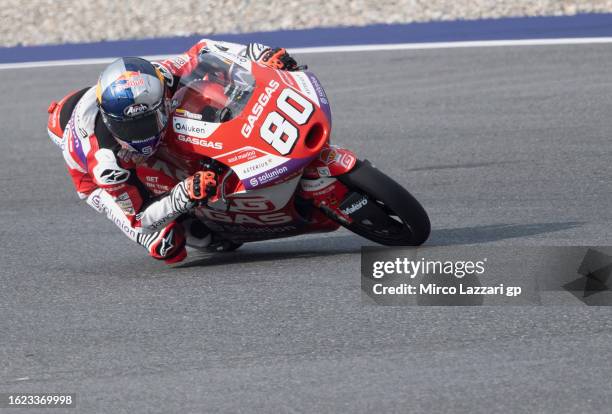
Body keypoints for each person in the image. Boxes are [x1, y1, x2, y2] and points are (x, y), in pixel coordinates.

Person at [46, 39, 301, 263]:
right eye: (132, 128)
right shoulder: (106, 163)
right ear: (112, 123)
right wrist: (183, 194)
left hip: (116, 100)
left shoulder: (161, 76)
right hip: (95, 182)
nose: (142, 134)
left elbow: (205, 51)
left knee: (206, 94)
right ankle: (200, 222)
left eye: (147, 122)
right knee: (167, 246)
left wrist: (257, 55)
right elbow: (140, 218)